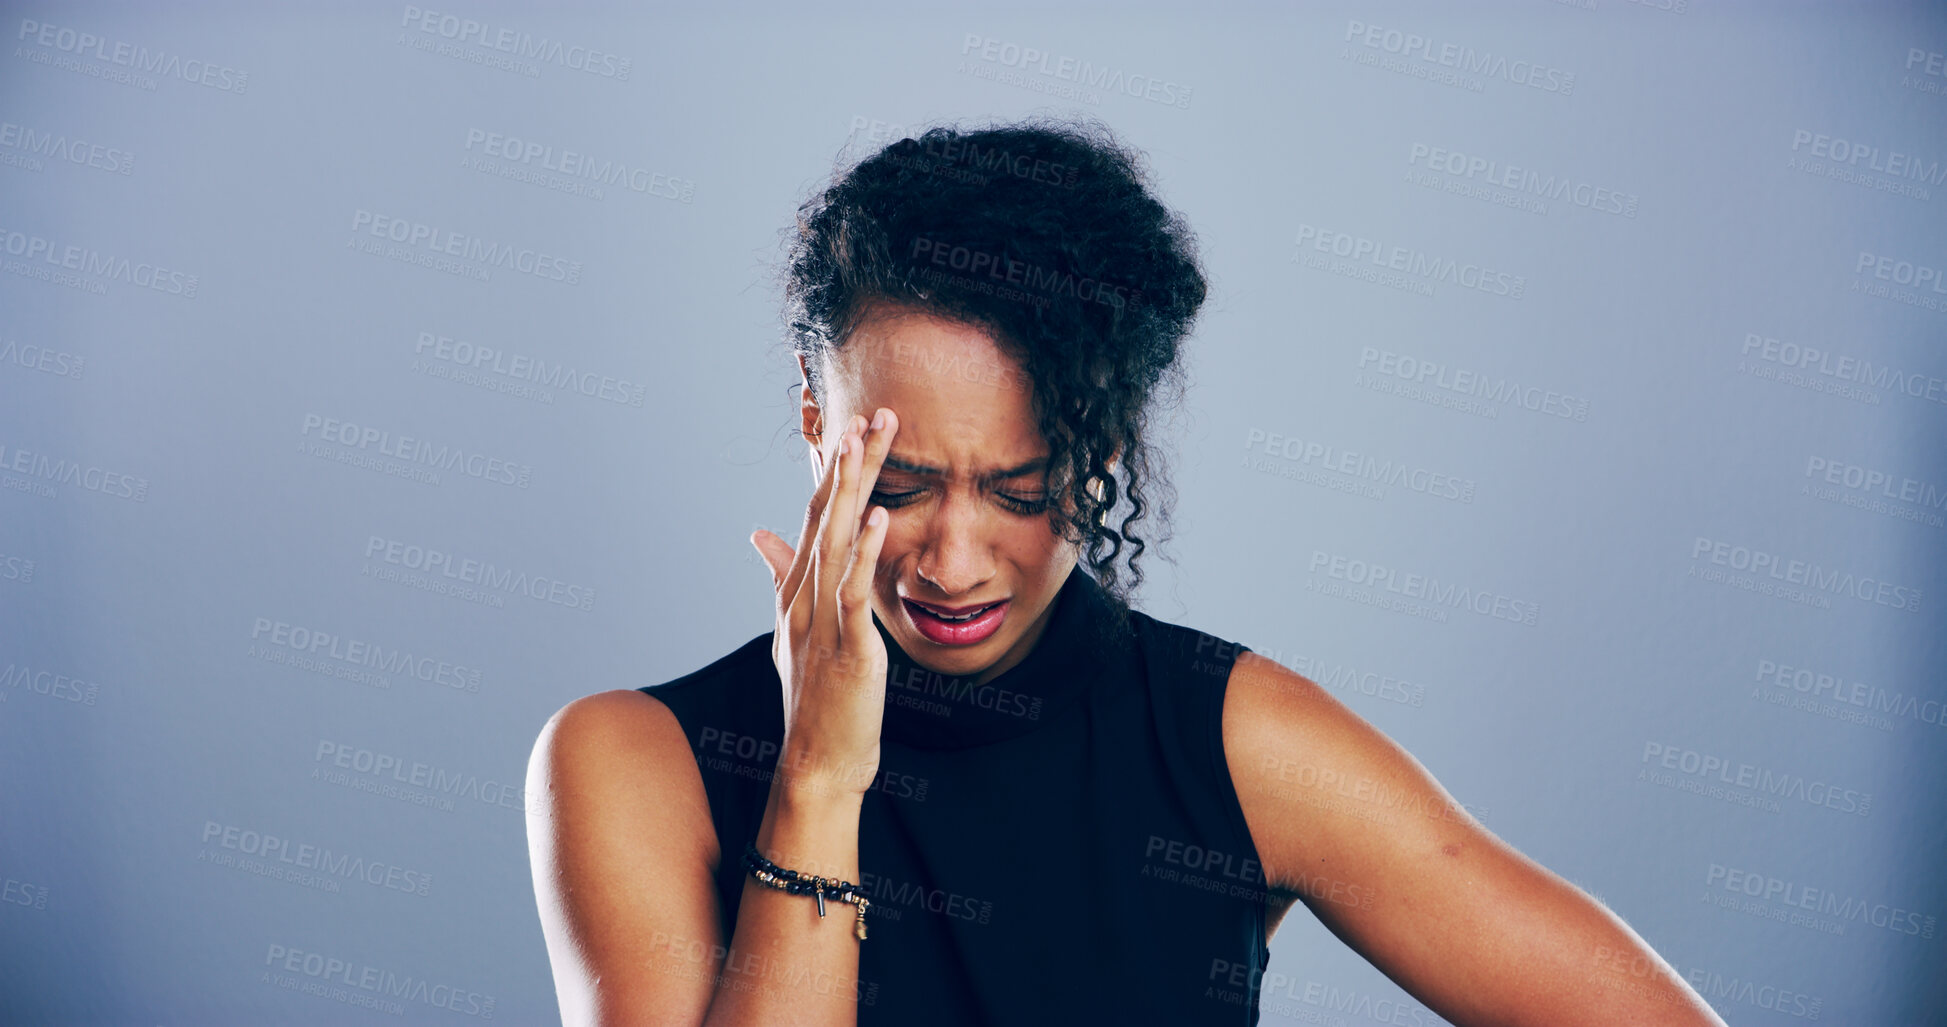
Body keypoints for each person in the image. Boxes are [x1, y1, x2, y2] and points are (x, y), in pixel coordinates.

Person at [525, 116, 1726, 1026]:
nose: (952, 561)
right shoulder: (635, 763)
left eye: (1021, 489)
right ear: (815, 421)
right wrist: (819, 780)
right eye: (900, 484)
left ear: (1102, 450)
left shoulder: (1238, 744)